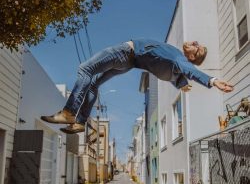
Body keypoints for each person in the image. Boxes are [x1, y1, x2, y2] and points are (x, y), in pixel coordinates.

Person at [41, 39, 234, 134]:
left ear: (192, 57)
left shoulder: (179, 58)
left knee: (85, 69)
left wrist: (212, 80)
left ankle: (69, 111)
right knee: (93, 83)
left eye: (196, 46)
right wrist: (181, 83)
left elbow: (190, 71)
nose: (193, 42)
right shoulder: (176, 67)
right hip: (128, 64)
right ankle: (80, 122)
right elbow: (180, 74)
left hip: (125, 53)